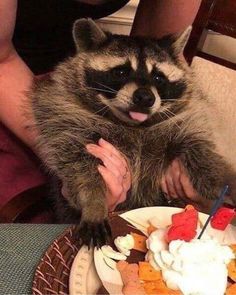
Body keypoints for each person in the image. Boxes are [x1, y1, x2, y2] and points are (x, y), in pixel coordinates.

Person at [0, 0, 210, 221]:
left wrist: (168, 150)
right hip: (13, 88)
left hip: (96, 82)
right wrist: (71, 159)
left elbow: (152, 51)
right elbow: (1, 61)